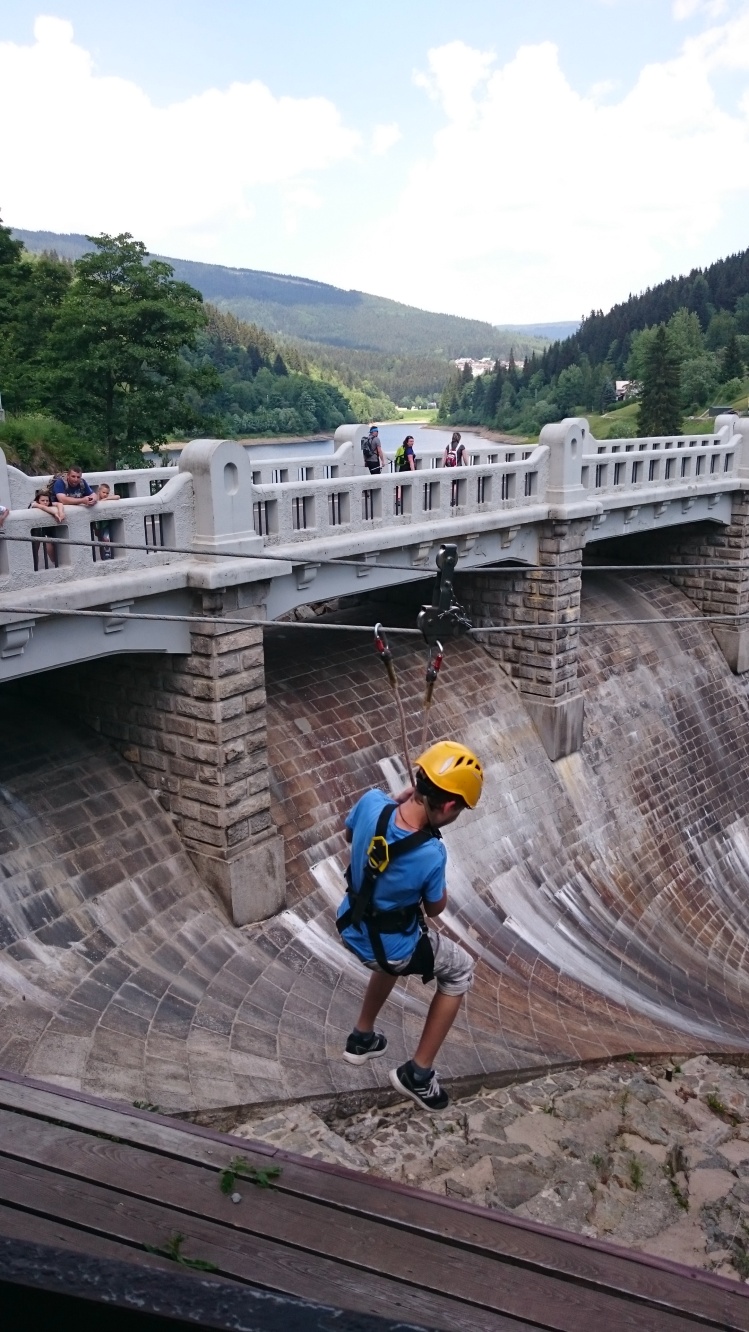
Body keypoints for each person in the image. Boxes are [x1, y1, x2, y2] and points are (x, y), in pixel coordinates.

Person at [336, 740, 483, 1112]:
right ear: (447, 805)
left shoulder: (372, 801)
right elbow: (435, 908)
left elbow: (350, 835)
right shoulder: (432, 853)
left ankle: (362, 1037)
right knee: (460, 970)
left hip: (351, 925)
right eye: (460, 809)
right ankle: (418, 1074)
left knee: (395, 947)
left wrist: (394, 803)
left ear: (418, 783)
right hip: (389, 948)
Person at [28, 490, 65, 569]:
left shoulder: (49, 504)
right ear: (38, 500)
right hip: (35, 529)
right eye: (42, 500)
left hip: (45, 528)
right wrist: (54, 513)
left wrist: (61, 512)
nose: (45, 502)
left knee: (50, 543)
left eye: (47, 500)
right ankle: (35, 568)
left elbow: (59, 504)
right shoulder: (33, 504)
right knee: (34, 550)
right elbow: (42, 507)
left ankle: (56, 564)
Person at [92, 482, 121, 559]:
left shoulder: (106, 499)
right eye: (103, 492)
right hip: (98, 524)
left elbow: (118, 497)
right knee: (101, 541)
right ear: (99, 491)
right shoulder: (96, 499)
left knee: (106, 538)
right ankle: (103, 556)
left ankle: (107, 554)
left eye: (107, 493)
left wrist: (106, 499)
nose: (105, 494)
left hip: (105, 524)